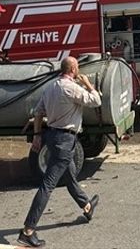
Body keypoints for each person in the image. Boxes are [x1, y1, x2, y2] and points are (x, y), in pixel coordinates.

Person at [19, 57, 102, 247]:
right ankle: (28, 230)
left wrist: (38, 135)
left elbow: (38, 112)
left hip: (54, 137)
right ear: (73, 69)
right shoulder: (71, 88)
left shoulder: (50, 87)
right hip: (65, 141)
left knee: (70, 176)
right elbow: (96, 101)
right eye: (78, 67)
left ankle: (87, 206)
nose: (79, 69)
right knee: (47, 185)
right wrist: (88, 83)